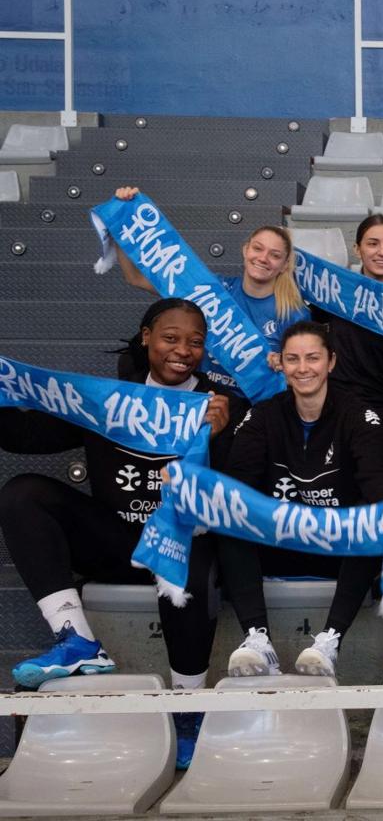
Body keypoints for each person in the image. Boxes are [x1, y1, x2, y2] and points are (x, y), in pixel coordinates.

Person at [0, 298, 240, 768]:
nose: (183, 351)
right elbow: (26, 437)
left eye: (195, 342)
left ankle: (187, 712)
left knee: (190, 558)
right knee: (22, 494)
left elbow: (243, 491)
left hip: (187, 544)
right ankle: (77, 640)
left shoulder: (222, 405)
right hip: (117, 541)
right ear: (146, 337)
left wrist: (221, 438)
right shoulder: (110, 399)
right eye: (171, 338)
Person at [217, 321, 383, 678]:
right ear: (280, 364)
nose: (303, 368)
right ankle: (257, 641)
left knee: (375, 517)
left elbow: (374, 476)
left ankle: (328, 642)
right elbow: (239, 482)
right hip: (281, 543)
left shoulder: (357, 413)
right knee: (228, 518)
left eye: (313, 358)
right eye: (293, 359)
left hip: (337, 548)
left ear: (331, 362)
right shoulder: (265, 415)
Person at [111, 186, 310, 394]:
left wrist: (284, 365)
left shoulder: (294, 313)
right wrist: (119, 221)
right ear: (245, 249)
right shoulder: (213, 289)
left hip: (254, 406)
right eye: (257, 248)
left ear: (285, 265)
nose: (263, 258)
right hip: (203, 397)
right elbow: (135, 278)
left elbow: (306, 374)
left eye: (275, 255)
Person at [307, 214, 383, 419]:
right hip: (334, 406)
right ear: (357, 249)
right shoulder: (335, 290)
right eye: (372, 244)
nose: (382, 252)